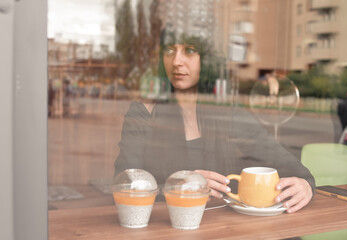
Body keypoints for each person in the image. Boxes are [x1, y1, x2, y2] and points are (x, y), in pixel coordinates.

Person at [114, 34, 315, 214]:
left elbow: (279, 158)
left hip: (223, 228)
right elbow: (123, 186)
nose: (176, 61)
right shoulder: (143, 111)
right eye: (170, 51)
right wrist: (181, 188)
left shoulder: (227, 110)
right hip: (165, 229)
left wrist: (305, 184)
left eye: (190, 51)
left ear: (207, 60)